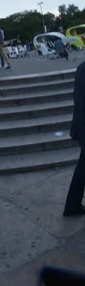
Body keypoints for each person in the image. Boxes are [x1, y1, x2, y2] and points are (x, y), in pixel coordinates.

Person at [63, 61, 85, 216]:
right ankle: (72, 205)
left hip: (82, 126)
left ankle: (73, 205)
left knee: (83, 168)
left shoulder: (82, 67)